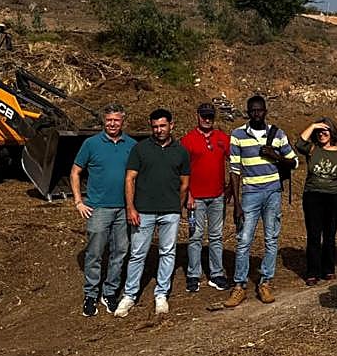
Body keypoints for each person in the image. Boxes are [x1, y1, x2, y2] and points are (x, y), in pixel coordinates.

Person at [117, 108, 191, 316]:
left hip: (170, 211)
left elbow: (184, 183)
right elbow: (129, 178)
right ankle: (130, 295)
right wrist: (131, 207)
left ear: (171, 125)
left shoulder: (181, 151)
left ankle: (161, 294)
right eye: (155, 126)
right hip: (144, 210)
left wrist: (177, 207)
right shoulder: (140, 149)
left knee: (167, 252)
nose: (159, 130)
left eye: (162, 126)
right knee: (138, 253)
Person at [226, 95, 298, 307]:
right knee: (244, 239)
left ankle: (265, 282)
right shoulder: (238, 134)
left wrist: (275, 156)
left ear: (265, 111)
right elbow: (235, 169)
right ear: (248, 113)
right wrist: (236, 203)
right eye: (252, 111)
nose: (256, 114)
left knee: (271, 238)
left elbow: (293, 162)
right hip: (250, 192)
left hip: (273, 191)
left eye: (260, 110)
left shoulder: (277, 134)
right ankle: (239, 286)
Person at [70, 104, 136, 317]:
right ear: (103, 121)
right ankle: (90, 294)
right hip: (98, 208)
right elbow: (75, 172)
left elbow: (137, 177)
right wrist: (79, 201)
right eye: (109, 120)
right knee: (95, 253)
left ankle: (110, 292)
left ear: (123, 121)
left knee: (120, 252)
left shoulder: (132, 145)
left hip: (123, 208)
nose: (112, 124)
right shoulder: (91, 144)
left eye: (116, 120)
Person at [181, 102, 232, 292]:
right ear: (198, 116)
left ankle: (216, 273)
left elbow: (234, 161)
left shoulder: (221, 138)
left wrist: (230, 189)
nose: (207, 119)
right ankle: (193, 274)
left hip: (217, 197)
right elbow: (183, 171)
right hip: (196, 198)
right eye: (204, 115)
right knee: (195, 236)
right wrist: (188, 195)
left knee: (216, 236)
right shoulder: (188, 140)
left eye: (210, 116)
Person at [295, 117, 337, 284]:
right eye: (319, 131)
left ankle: (328, 268)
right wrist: (313, 125)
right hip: (313, 196)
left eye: (325, 130)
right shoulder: (312, 149)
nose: (322, 134)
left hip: (334, 196)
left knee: (329, 234)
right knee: (313, 234)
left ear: (332, 132)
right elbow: (299, 144)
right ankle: (312, 271)